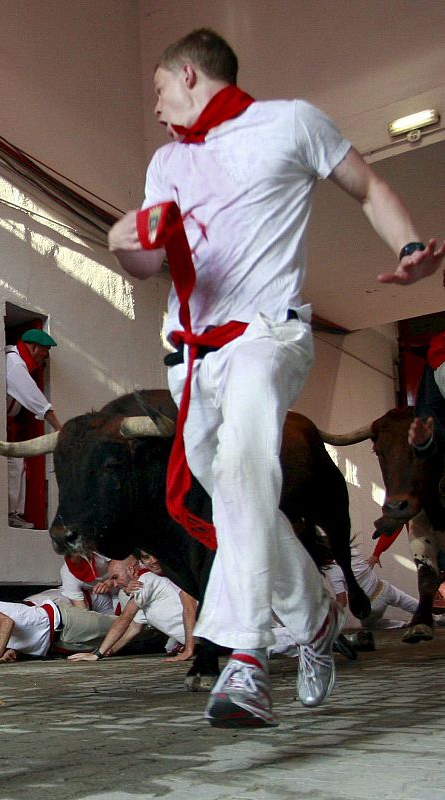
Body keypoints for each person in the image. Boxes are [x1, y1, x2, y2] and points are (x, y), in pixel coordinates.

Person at [107, 28, 444, 728]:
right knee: (237, 499)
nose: (159, 106)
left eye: (160, 90)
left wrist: (410, 244)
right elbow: (146, 265)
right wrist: (122, 241)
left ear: (191, 74)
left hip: (267, 334)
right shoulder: (167, 161)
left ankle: (248, 659)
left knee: (247, 462)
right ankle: (317, 619)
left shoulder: (290, 122)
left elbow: (368, 183)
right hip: (191, 356)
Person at [68, 554, 197, 664]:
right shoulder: (145, 592)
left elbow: (125, 618)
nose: (114, 584)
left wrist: (97, 654)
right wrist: (109, 650)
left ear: (131, 570)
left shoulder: (144, 581)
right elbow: (134, 628)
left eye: (115, 577)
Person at [0, 597, 114, 665]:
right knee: (122, 645)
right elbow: (14, 634)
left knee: (126, 626)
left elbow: (6, 622)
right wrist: (10, 651)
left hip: (64, 622)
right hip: (59, 643)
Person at [6, 329, 61, 528]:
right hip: (3, 423)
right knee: (15, 465)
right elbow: (34, 397)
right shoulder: (14, 363)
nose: (45, 356)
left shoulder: (15, 361)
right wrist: (57, 426)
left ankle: (15, 513)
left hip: (10, 425)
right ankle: (12, 513)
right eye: (44, 351)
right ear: (33, 347)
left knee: (18, 464)